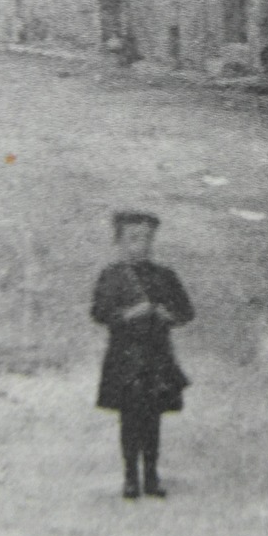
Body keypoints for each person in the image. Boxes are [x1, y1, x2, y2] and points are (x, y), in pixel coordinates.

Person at [91, 212, 194, 499]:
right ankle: (130, 477)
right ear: (119, 242)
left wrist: (167, 315)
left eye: (147, 238)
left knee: (153, 419)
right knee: (129, 418)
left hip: (157, 357)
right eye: (133, 239)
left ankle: (151, 475)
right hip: (124, 358)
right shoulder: (111, 276)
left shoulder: (165, 276)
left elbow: (186, 312)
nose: (142, 245)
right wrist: (128, 314)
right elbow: (99, 312)